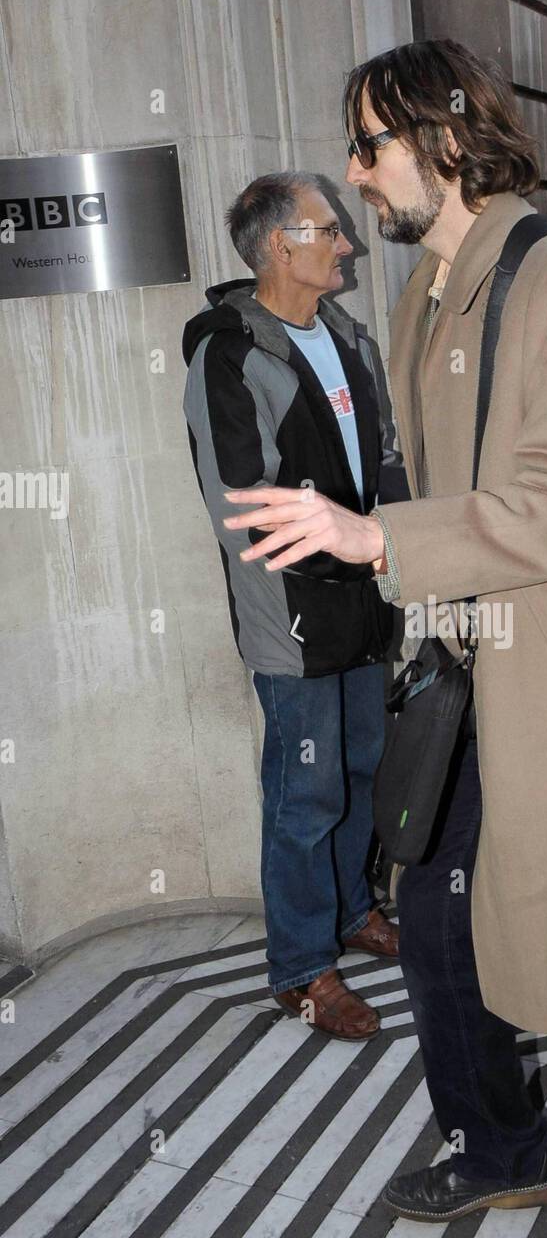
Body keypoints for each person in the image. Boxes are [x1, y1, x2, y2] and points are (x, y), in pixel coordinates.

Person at [223, 41, 547, 1238]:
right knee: (442, 919)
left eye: (369, 143)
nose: (354, 172)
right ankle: (501, 1144)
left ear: (443, 139)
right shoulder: (422, 294)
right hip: (466, 677)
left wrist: (376, 536)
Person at [182, 171, 400, 1042]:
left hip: (367, 596)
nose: (345, 244)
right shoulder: (230, 352)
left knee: (359, 773)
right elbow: (243, 506)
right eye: (328, 230)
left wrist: (392, 548)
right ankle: (301, 970)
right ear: (281, 245)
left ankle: (350, 912)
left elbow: (382, 455)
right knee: (303, 794)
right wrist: (347, 554)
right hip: (293, 614)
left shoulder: (347, 336)